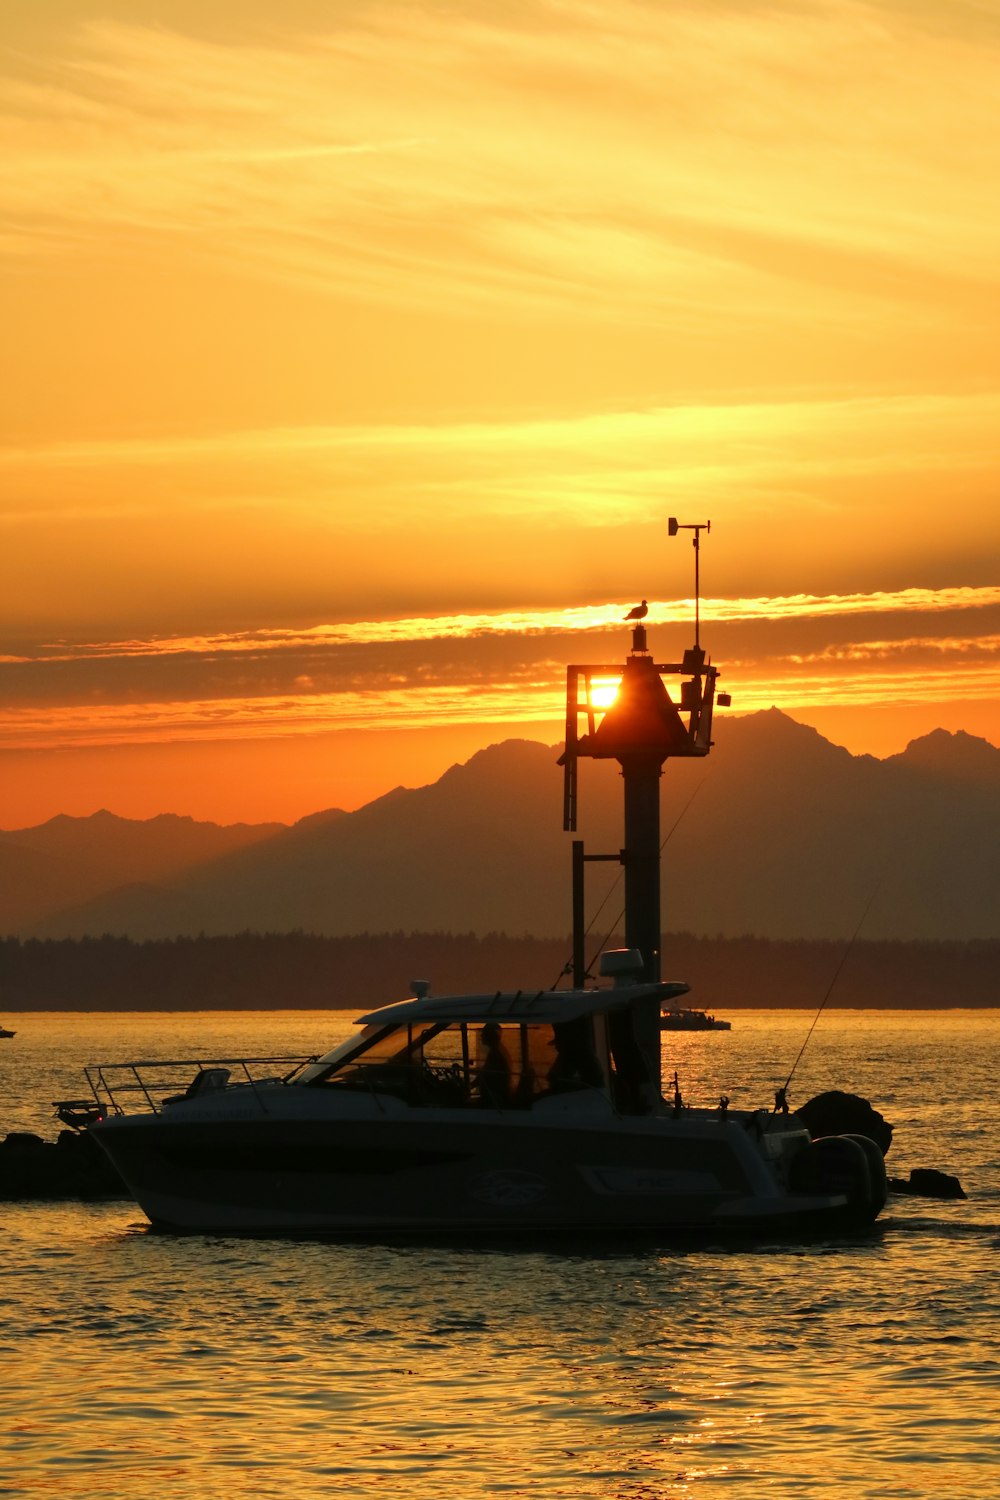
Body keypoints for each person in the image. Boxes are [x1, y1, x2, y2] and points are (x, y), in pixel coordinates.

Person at [475, 1022, 512, 1107]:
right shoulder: (496, 1051)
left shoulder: (495, 1054)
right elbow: (485, 1072)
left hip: (495, 1098)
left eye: (484, 1034)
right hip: (495, 1093)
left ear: (490, 1037)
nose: (481, 1036)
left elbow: (486, 1074)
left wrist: (472, 1084)